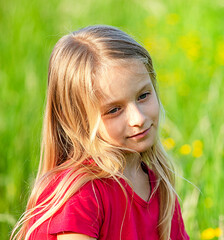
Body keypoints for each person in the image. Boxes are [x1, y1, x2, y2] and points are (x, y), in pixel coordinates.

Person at [11, 25, 190, 240]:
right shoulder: (82, 194)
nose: (139, 119)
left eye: (143, 96)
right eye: (114, 110)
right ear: (78, 121)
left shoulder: (159, 187)